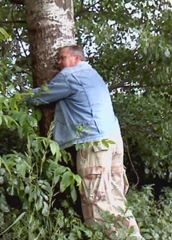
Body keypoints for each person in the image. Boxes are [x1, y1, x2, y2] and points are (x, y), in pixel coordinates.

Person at [26, 45, 142, 239]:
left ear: (76, 59)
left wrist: (17, 97)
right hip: (113, 140)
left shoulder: (71, 76)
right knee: (115, 200)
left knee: (97, 203)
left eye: (63, 58)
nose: (59, 63)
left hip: (95, 144)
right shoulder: (94, 76)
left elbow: (41, 96)